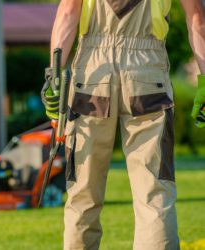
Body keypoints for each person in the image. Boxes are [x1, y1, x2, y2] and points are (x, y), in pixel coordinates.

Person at [41, 0, 205, 249]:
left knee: (83, 194)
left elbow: (68, 12)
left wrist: (53, 77)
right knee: (154, 193)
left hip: (93, 74)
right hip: (147, 73)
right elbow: (196, 18)